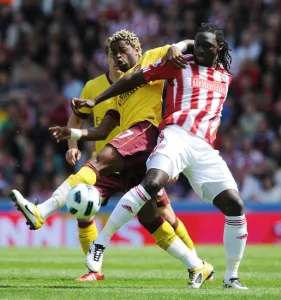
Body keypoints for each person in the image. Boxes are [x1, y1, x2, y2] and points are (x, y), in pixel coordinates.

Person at [11, 30, 213, 288]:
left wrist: (178, 45)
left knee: (98, 165)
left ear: (137, 52)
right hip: (131, 155)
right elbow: (103, 131)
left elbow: (188, 45)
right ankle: (198, 265)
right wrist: (72, 134)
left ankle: (42, 211)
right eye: (113, 53)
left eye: (123, 51)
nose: (118, 56)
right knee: (151, 219)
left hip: (144, 132)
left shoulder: (150, 58)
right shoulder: (118, 93)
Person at [74, 23, 248, 290]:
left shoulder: (225, 76)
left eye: (207, 46)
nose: (200, 50)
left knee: (235, 205)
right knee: (152, 184)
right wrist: (96, 101)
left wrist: (183, 44)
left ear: (219, 49)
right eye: (197, 44)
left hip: (204, 149)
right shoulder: (179, 63)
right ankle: (100, 242)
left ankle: (231, 277)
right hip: (176, 136)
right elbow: (134, 78)